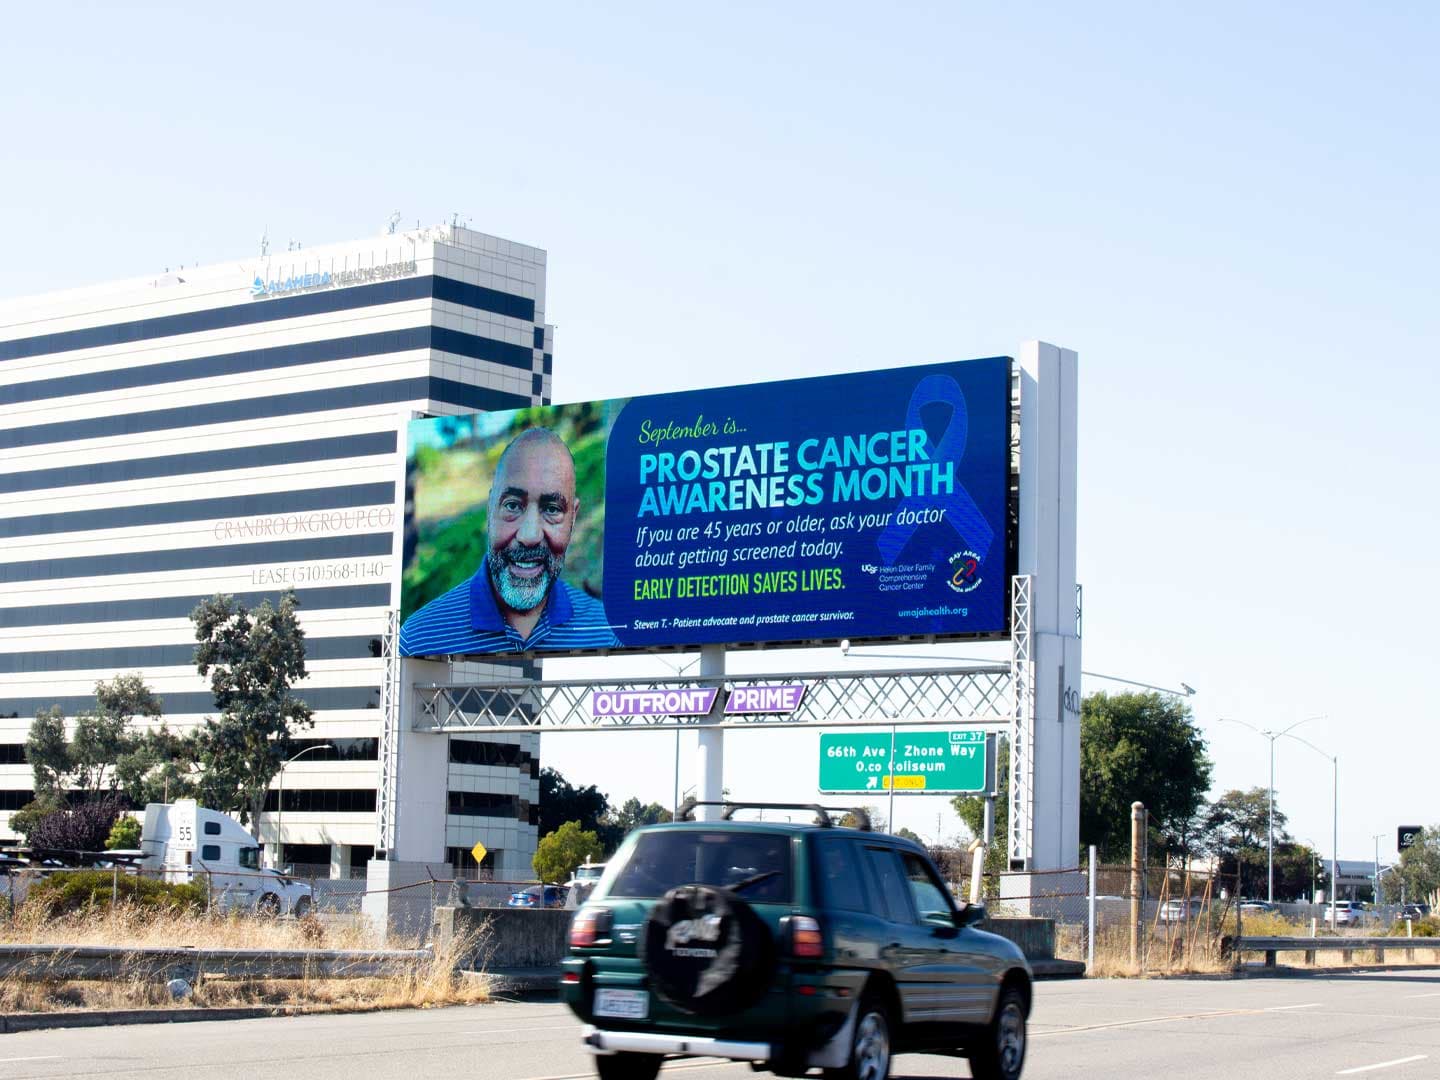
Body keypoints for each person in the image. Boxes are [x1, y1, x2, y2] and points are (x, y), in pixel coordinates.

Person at [399, 427, 618, 654]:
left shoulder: (608, 633)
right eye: (513, 505)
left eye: (552, 509)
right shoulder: (419, 638)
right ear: (489, 509)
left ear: (573, 518)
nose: (530, 535)